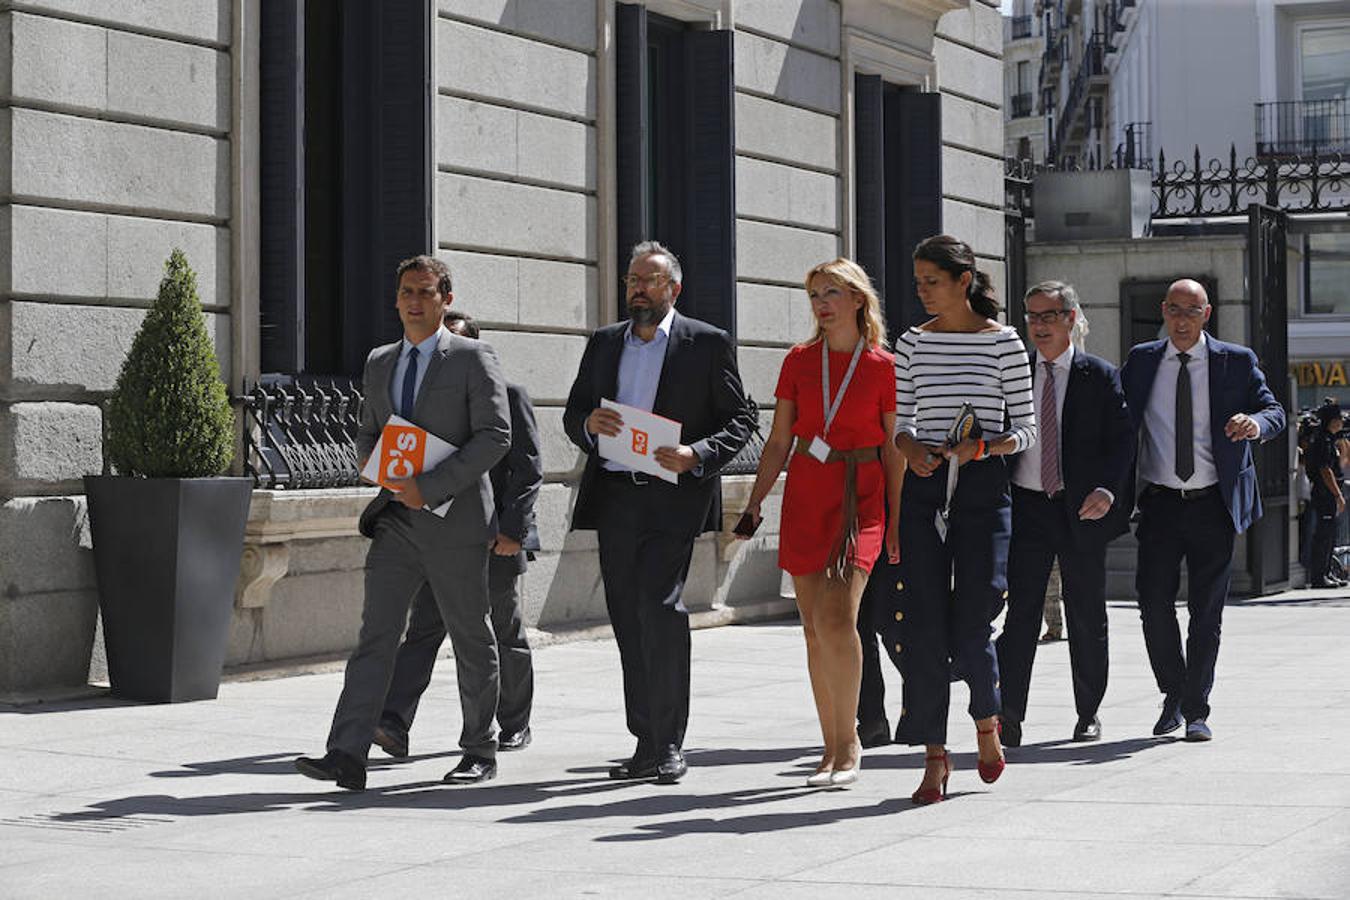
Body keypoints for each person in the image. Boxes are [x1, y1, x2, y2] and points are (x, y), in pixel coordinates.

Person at [295, 255, 511, 790]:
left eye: (426, 291)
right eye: (406, 293)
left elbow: (495, 436)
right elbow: (369, 432)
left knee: (470, 637)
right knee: (376, 636)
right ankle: (346, 753)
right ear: (395, 300)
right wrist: (380, 472)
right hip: (396, 522)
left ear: (446, 299)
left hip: (455, 523)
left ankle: (480, 749)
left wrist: (430, 486)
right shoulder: (379, 362)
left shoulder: (472, 357)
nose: (415, 301)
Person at [563, 241, 755, 784]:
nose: (637, 289)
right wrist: (587, 427)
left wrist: (698, 453)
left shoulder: (706, 343)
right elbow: (577, 410)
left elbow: (741, 418)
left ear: (674, 288)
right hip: (618, 495)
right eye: (631, 280)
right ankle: (645, 740)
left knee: (661, 610)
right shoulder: (604, 343)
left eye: (648, 281)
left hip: (673, 496)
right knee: (627, 616)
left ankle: (669, 742)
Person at [737, 258, 903, 787]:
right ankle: (830, 746)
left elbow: (893, 451)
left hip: (862, 496)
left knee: (838, 619)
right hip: (809, 491)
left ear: (858, 299)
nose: (822, 304)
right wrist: (756, 502)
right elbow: (780, 440)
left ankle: (851, 740)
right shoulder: (798, 361)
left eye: (832, 292)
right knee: (812, 629)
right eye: (813, 295)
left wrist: (898, 521)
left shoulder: (883, 365)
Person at [890, 234, 1036, 804]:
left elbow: (1026, 428)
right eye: (918, 281)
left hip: (982, 488)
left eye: (932, 280)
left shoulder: (1004, 343)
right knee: (923, 625)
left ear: (963, 280)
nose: (922, 291)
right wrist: (907, 448)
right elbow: (901, 421)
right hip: (924, 488)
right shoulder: (911, 344)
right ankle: (934, 757)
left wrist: (983, 449)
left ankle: (985, 723)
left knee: (973, 624)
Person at [371, 310, 544, 759]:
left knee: (501, 629)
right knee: (424, 629)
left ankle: (513, 722)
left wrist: (513, 531)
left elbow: (527, 471)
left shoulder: (508, 395)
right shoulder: (424, 404)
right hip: (437, 536)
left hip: (494, 538)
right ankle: (393, 722)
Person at [1121, 278, 1285, 743]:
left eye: (1191, 311)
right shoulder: (1142, 361)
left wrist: (1254, 423)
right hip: (1159, 504)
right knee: (1153, 605)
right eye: (1174, 310)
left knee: (1206, 611)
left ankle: (1195, 709)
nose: (1182, 320)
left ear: (1207, 314)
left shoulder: (1235, 361)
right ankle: (1173, 693)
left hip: (1213, 501)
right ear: (1163, 311)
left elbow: (1274, 411)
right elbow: (1118, 421)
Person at [995, 281, 1133, 747]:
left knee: (1086, 612)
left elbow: (1122, 443)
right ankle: (1009, 714)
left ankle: (1088, 712)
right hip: (1026, 507)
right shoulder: (1013, 374)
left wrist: (1108, 491)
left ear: (1071, 320)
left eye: (1049, 316)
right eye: (1031, 316)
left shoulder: (1099, 375)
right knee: (1021, 615)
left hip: (1081, 509)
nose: (1038, 326)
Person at [1305, 399, 1345, 588]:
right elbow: (1325, 470)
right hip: (1325, 493)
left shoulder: (1330, 440)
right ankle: (1319, 576)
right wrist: (1337, 495)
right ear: (1332, 421)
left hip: (1328, 492)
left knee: (1331, 535)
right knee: (1323, 535)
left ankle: (1327, 571)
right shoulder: (1323, 440)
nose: (1342, 423)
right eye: (1339, 419)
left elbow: (1338, 466)